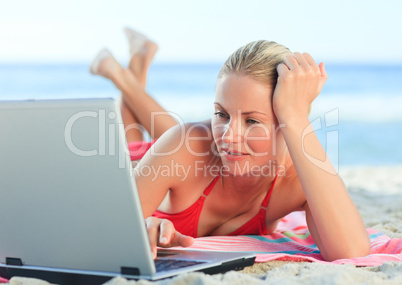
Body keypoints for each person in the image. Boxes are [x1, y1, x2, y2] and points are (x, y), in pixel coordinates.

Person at [90, 27, 371, 262]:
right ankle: (125, 74)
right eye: (221, 113)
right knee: (168, 141)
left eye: (252, 121)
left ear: (287, 123)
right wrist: (142, 226)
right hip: (131, 168)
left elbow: (350, 252)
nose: (228, 134)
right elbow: (105, 232)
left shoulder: (296, 181)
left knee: (188, 142)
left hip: (186, 158)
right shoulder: (185, 146)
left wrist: (297, 116)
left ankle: (130, 70)